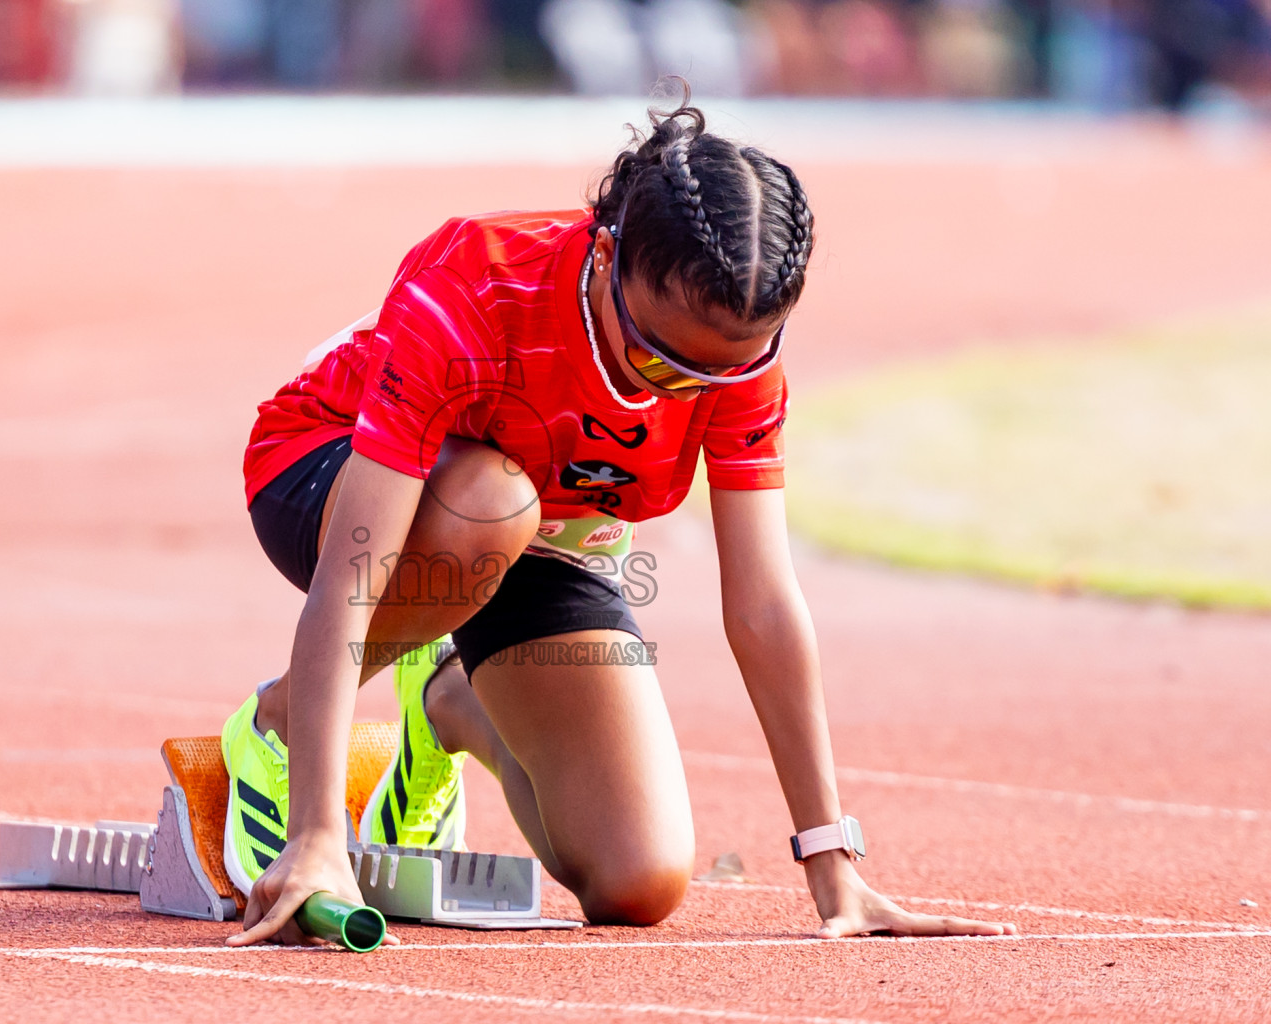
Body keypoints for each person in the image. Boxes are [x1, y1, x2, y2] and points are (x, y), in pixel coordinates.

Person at [224, 88, 1017, 946]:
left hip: (546, 531)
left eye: (714, 375)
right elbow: (354, 570)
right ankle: (270, 726)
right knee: (491, 504)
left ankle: (450, 701)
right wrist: (316, 834)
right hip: (345, 471)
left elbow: (762, 602)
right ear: (607, 258)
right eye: (658, 358)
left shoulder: (731, 347)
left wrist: (835, 865)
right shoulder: (474, 280)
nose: (676, 391)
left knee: (638, 880)